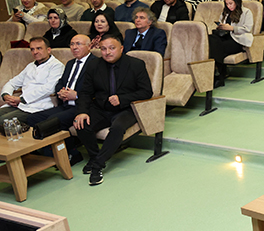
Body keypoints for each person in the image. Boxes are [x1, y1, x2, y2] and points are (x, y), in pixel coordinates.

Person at [74, 34, 153, 185]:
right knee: (81, 123)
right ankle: (95, 156)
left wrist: (122, 99)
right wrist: (82, 112)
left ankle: (97, 166)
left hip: (127, 108)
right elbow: (85, 92)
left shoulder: (136, 64)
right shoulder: (93, 65)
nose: (107, 52)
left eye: (112, 48)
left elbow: (146, 92)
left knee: (117, 128)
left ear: (121, 48)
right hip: (101, 107)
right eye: (103, 49)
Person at [26, 34, 94, 159]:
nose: (74, 47)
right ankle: (44, 153)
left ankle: (72, 154)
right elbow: (60, 83)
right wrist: (60, 92)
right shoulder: (70, 63)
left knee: (53, 121)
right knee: (32, 119)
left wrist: (77, 95)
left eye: (78, 44)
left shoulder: (96, 64)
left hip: (82, 106)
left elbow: (99, 90)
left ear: (89, 46)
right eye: (72, 44)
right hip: (65, 104)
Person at [0, 37, 64, 124]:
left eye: (39, 48)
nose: (35, 52)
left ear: (48, 50)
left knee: (3, 121)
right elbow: (12, 83)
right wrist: (6, 95)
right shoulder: (30, 66)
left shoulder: (56, 66)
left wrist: (21, 99)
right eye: (32, 49)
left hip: (39, 107)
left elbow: (49, 89)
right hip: (20, 105)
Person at [207, 0, 254, 88]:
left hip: (238, 40)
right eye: (227, 4)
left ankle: (219, 75)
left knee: (216, 47)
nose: (229, 6)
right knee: (210, 38)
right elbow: (221, 23)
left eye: (231, 3)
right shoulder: (225, 13)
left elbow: (247, 29)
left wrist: (232, 28)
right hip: (225, 37)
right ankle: (220, 75)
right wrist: (220, 27)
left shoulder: (246, 12)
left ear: (237, 2)